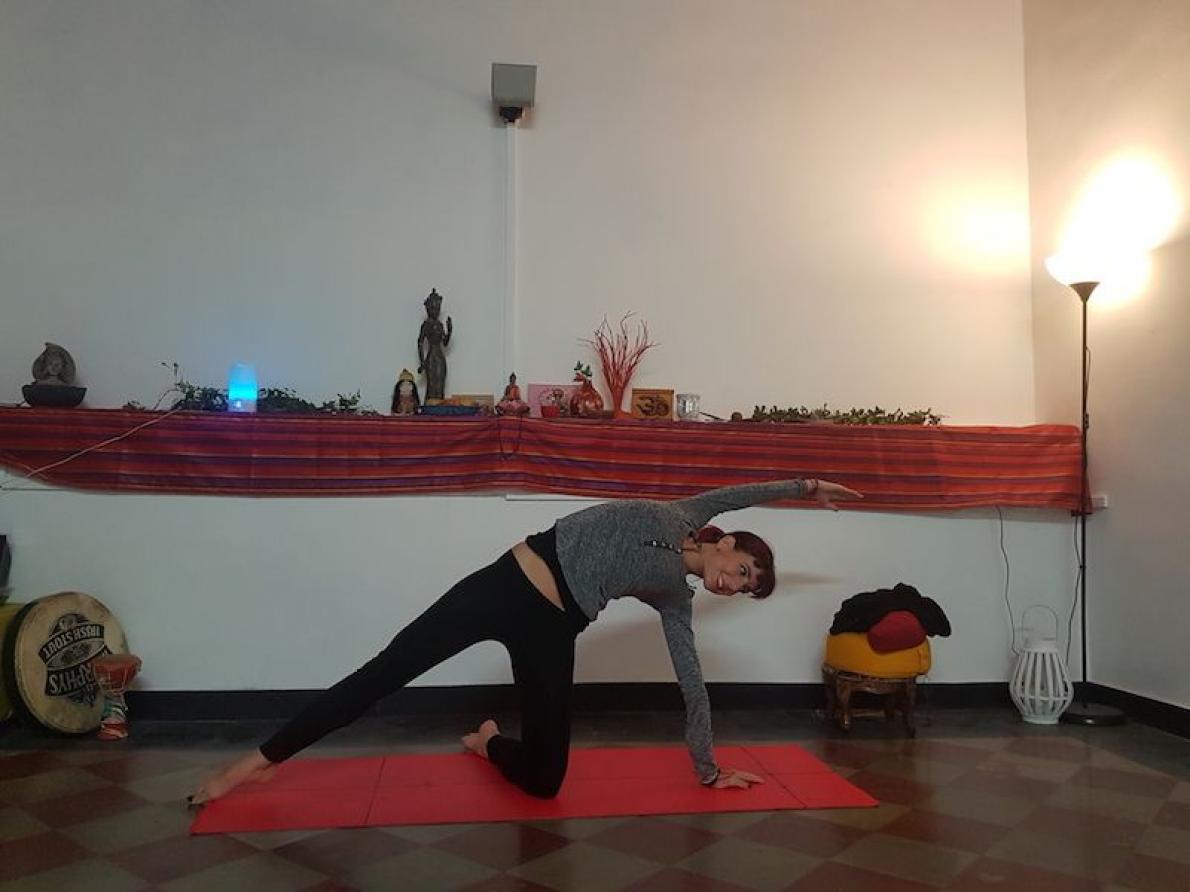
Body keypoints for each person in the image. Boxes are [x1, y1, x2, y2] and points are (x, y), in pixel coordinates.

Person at [190, 477, 863, 804]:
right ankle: (257, 761)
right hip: (503, 585)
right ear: (729, 544)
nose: (733, 585)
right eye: (742, 572)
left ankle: (488, 742)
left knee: (546, 781)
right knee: (383, 673)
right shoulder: (691, 511)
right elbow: (752, 488)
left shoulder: (674, 599)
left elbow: (692, 683)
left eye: (745, 589)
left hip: (553, 629)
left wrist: (708, 768)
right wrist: (806, 486)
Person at [417, 289, 452, 402]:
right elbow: (420, 342)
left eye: (437, 309)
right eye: (433, 309)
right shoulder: (426, 324)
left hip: (440, 356)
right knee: (432, 384)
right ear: (428, 310)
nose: (435, 311)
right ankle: (430, 407)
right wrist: (422, 362)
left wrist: (449, 331)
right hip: (431, 357)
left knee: (440, 383)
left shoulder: (440, 325)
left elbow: (445, 343)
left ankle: (440, 407)